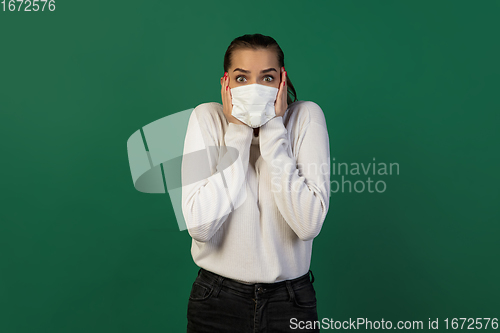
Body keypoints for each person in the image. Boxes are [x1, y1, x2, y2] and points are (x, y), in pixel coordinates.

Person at [181, 33, 331, 333]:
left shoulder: (305, 118)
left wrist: (275, 131)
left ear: (282, 81)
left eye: (267, 77)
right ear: (226, 84)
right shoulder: (206, 119)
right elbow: (200, 227)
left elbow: (308, 224)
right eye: (241, 78)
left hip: (290, 302)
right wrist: (236, 135)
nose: (254, 88)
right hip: (217, 300)